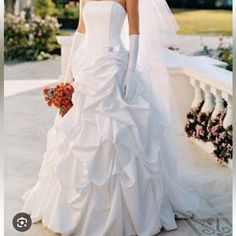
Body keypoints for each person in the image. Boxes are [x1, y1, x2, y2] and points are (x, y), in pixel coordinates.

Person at [21, 0, 231, 235]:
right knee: (78, 135)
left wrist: (130, 72)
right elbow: (81, 30)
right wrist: (67, 73)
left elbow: (134, 33)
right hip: (88, 69)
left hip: (115, 67)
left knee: (120, 137)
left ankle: (127, 211)